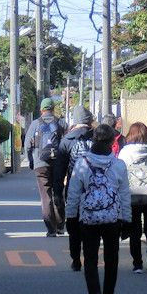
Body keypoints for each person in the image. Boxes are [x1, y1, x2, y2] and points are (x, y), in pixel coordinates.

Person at [65, 124, 131, 294]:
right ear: (112, 142)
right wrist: (127, 219)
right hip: (113, 218)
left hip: (88, 217)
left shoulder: (82, 163)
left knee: (90, 258)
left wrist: (71, 217)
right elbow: (124, 195)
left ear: (93, 139)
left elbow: (73, 194)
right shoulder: (118, 165)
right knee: (111, 258)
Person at [117, 122, 147, 272]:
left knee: (134, 231)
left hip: (131, 196)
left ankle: (137, 264)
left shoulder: (124, 152)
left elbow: (119, 173)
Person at [55, 105, 94, 271]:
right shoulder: (97, 138)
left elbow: (60, 169)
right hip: (94, 188)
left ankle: (76, 259)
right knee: (92, 223)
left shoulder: (66, 140)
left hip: (73, 188)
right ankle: (90, 257)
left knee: (73, 223)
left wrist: (57, 192)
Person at [22, 98, 65, 236]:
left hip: (40, 164)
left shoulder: (35, 124)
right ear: (53, 109)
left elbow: (27, 145)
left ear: (41, 110)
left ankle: (51, 229)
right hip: (58, 163)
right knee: (58, 193)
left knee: (46, 196)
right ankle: (60, 226)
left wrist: (31, 161)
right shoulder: (61, 123)